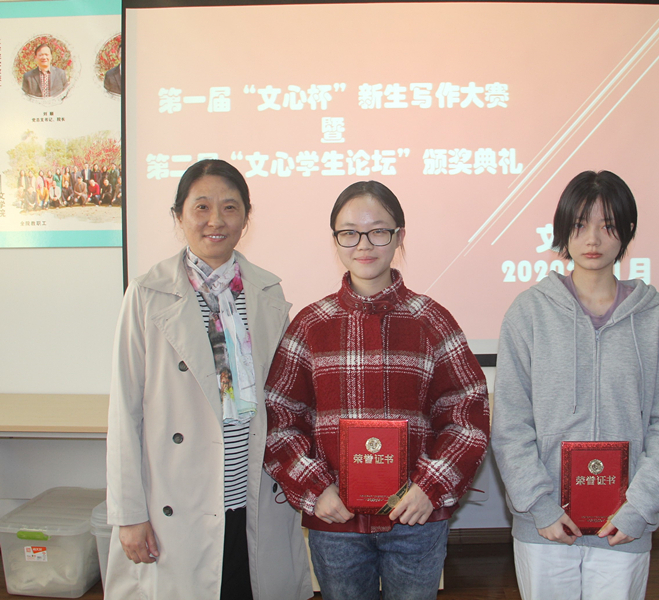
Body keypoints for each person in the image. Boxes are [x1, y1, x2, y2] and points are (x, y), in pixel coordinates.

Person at [264, 180, 490, 600]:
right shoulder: (310, 325)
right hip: (336, 522)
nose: (364, 245)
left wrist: (430, 487)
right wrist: (315, 488)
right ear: (335, 240)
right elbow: (279, 418)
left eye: (379, 231)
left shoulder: (432, 320)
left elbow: (468, 415)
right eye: (349, 233)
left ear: (400, 236)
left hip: (416, 519)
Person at [105, 159, 313, 600]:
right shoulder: (147, 294)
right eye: (201, 207)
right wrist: (128, 514)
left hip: (252, 500)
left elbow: (282, 404)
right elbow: (124, 411)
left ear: (246, 218)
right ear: (179, 215)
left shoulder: (267, 292)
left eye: (230, 207)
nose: (215, 220)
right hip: (177, 507)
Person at [491, 170, 659, 600]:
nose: (593, 239)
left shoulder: (656, 318)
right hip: (545, 526)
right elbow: (510, 424)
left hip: (623, 526)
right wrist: (539, 506)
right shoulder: (529, 313)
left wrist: (638, 509)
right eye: (581, 224)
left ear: (628, 230)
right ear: (563, 229)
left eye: (608, 225)